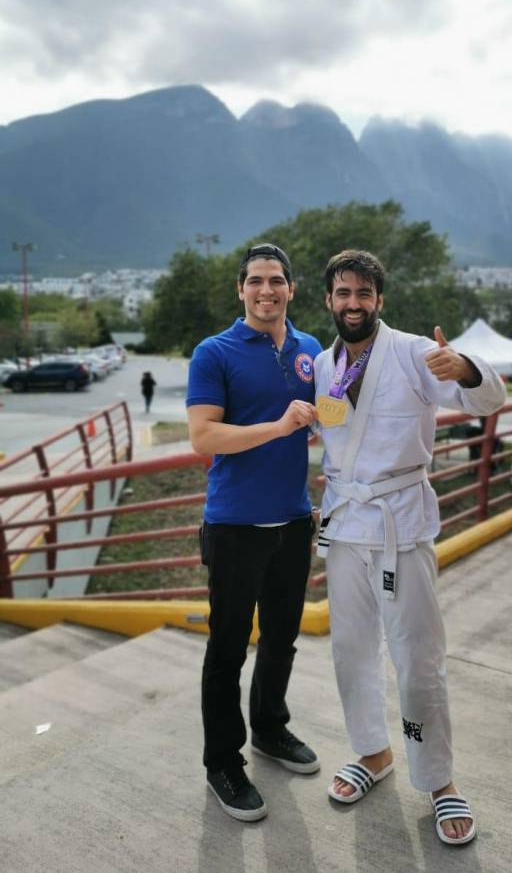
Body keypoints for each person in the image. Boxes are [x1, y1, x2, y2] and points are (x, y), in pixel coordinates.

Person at [313, 250, 506, 846]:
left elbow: (487, 401)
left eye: (363, 293)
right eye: (343, 293)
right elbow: (330, 434)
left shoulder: (414, 352)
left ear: (379, 299)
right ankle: (372, 752)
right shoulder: (321, 365)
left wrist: (466, 368)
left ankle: (439, 780)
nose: (353, 304)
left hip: (400, 524)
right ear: (329, 300)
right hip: (345, 525)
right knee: (350, 651)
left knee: (418, 659)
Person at [186, 243, 322, 824]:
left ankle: (270, 728)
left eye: (277, 280)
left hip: (293, 519)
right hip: (235, 524)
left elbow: (329, 416)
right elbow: (203, 437)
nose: (267, 290)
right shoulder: (213, 352)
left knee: (282, 639)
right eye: (256, 281)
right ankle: (223, 762)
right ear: (240, 289)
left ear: (291, 288)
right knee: (227, 649)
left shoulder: (311, 349)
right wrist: (279, 426)